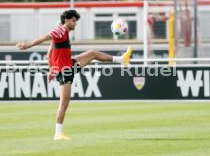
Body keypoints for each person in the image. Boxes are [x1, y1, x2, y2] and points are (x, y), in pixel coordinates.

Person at [16, 9, 133, 141]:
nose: (75, 23)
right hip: (65, 71)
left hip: (68, 66)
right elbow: (45, 37)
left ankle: (122, 60)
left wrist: (51, 70)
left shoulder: (64, 33)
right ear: (66, 20)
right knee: (64, 102)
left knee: (92, 53)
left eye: (75, 21)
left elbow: (49, 52)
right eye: (73, 20)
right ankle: (57, 133)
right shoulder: (60, 30)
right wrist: (28, 45)